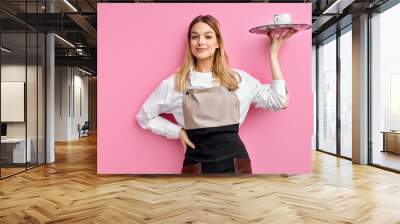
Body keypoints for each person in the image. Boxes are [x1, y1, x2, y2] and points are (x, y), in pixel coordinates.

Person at [136, 15, 296, 174]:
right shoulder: (175, 84)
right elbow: (144, 116)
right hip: (195, 166)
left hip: (236, 165)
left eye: (208, 36)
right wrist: (177, 132)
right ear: (189, 43)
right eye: (194, 37)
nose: (200, 42)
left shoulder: (238, 80)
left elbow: (279, 101)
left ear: (218, 42)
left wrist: (273, 54)